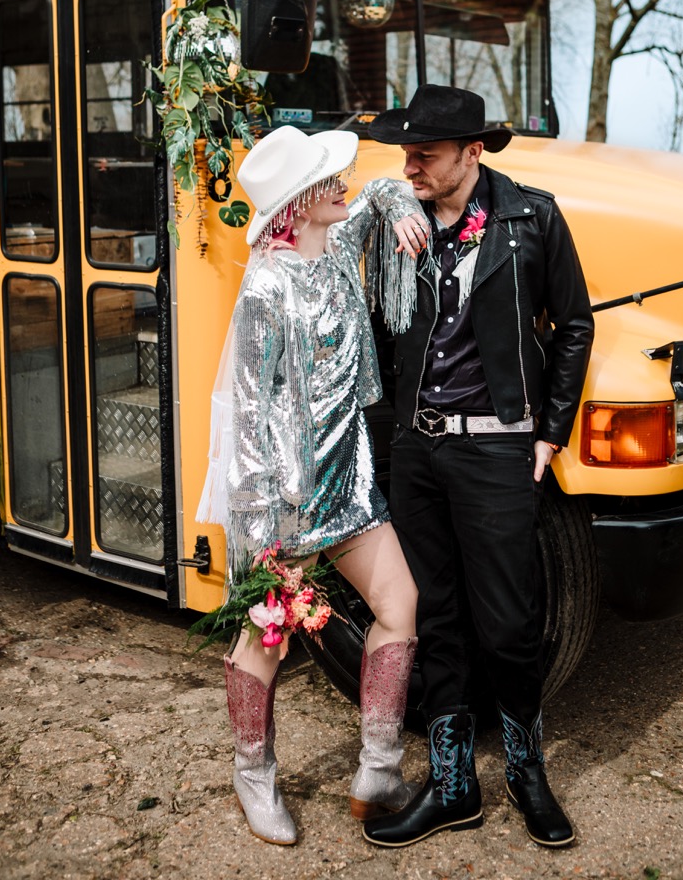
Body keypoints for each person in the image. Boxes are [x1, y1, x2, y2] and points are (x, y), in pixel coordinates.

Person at [360, 84, 594, 850]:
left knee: (509, 621)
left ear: (473, 152)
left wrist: (548, 433)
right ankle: (453, 784)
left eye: (425, 153)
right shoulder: (400, 215)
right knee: (437, 620)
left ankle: (527, 775)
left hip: (498, 445)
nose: (410, 164)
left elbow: (573, 326)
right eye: (405, 153)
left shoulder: (533, 217)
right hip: (417, 449)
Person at [213, 123, 429, 847]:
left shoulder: (334, 251)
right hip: (289, 499)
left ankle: (376, 767)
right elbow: (244, 413)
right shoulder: (264, 289)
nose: (341, 183)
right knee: (264, 640)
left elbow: (376, 194)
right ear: (297, 203)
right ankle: (253, 775)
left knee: (398, 604)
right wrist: (261, 520)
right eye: (325, 180)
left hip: (353, 482)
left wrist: (396, 200)